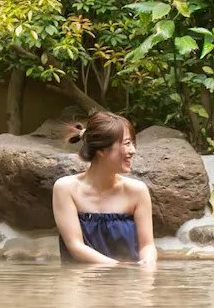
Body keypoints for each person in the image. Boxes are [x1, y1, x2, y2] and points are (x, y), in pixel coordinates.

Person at [52, 111, 157, 267]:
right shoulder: (66, 188)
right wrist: (119, 267)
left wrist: (148, 262)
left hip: (128, 279)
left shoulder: (137, 191)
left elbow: (147, 245)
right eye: (127, 143)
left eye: (132, 143)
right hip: (82, 279)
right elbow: (76, 247)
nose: (133, 150)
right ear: (101, 150)